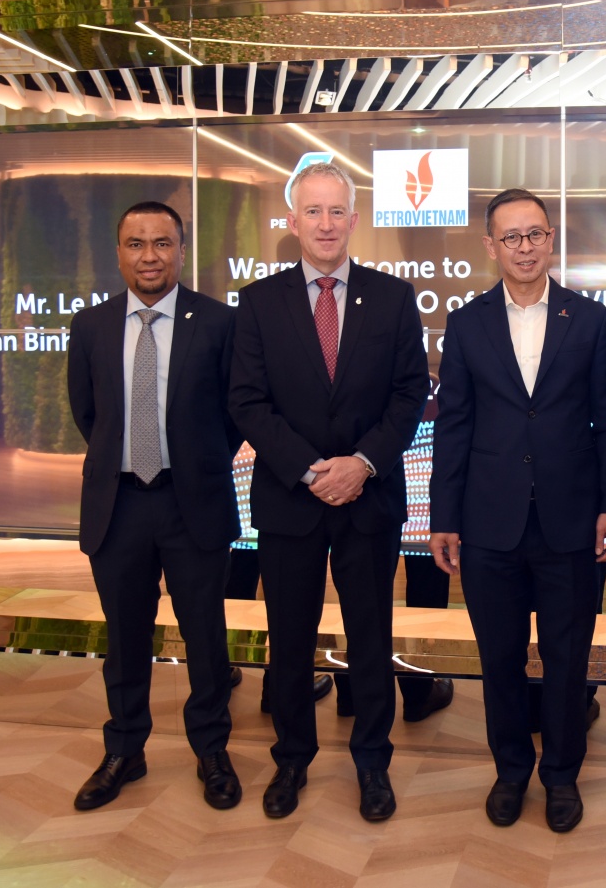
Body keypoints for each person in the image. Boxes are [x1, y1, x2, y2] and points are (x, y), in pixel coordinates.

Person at [228, 161, 429, 823]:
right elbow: (247, 401)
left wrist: (362, 463)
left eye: (336, 210)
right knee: (289, 640)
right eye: (312, 211)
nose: (325, 223)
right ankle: (292, 758)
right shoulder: (259, 302)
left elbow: (410, 394)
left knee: (370, 637)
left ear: (354, 219)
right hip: (291, 500)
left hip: (369, 500)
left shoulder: (393, 297)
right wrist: (312, 470)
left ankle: (373, 762)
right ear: (292, 221)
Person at [429, 188, 606, 833]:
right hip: (489, 522)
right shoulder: (467, 323)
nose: (526, 247)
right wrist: (444, 517)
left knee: (568, 661)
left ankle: (561, 776)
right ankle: (511, 771)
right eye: (511, 236)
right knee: (500, 658)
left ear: (551, 238)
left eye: (536, 233)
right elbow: (453, 425)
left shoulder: (589, 320)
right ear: (491, 246)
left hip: (572, 520)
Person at [65, 201, 244, 812]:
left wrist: (195, 463)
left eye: (162, 243)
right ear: (119, 253)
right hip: (117, 506)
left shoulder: (218, 323)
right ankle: (124, 750)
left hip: (193, 503)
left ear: (181, 251)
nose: (149, 256)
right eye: (136, 244)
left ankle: (212, 750)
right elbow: (89, 413)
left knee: (205, 636)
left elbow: (232, 415)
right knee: (124, 637)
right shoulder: (91, 325)